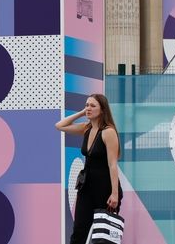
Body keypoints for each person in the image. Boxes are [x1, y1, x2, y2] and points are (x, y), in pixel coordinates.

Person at [55, 93, 123, 244]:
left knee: (103, 236)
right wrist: (81, 112)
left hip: (105, 188)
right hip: (86, 187)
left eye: (93, 106)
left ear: (103, 110)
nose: (88, 108)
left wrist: (114, 194)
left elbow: (112, 164)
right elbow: (60, 125)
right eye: (86, 105)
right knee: (79, 231)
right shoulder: (86, 128)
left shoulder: (108, 132)